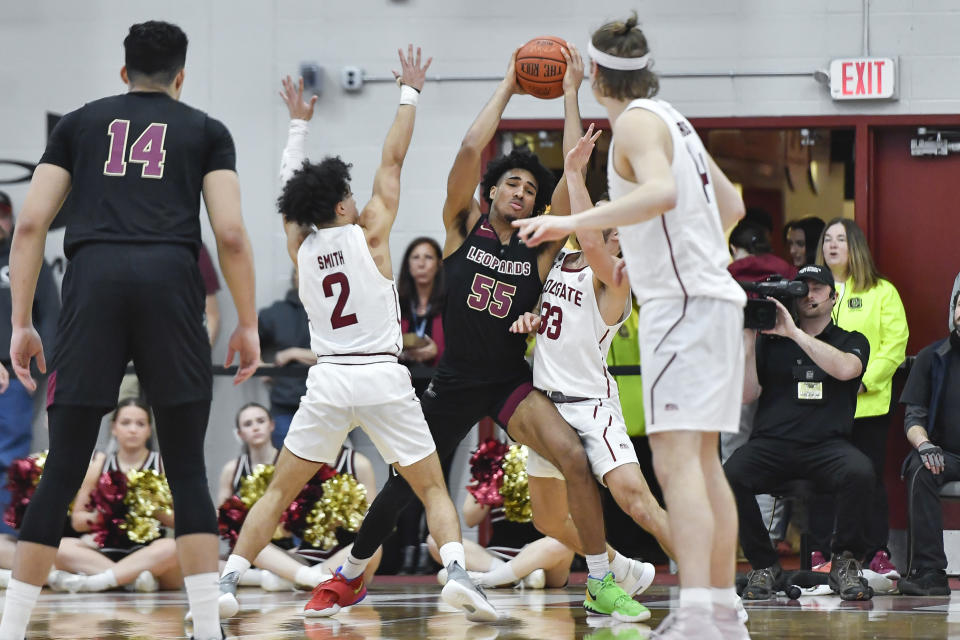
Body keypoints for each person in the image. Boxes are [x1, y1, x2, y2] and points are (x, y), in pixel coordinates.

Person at [309, 43, 649, 623]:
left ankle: (598, 580)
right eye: (511, 184)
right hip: (456, 379)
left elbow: (572, 171)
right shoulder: (461, 227)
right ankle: (348, 576)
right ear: (491, 192)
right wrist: (509, 85)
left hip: (510, 381)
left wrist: (568, 94)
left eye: (529, 190)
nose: (521, 194)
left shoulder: (538, 247)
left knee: (572, 455)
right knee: (409, 481)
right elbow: (470, 148)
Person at [218, 47, 498, 623]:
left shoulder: (301, 247)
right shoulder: (370, 231)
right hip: (382, 376)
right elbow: (393, 158)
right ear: (343, 202)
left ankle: (226, 582)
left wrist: (298, 126)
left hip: (329, 380)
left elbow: (287, 183)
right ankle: (458, 573)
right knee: (432, 487)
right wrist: (409, 92)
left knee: (276, 493)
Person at [2, 21, 260, 640]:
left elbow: (32, 225)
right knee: (190, 469)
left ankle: (10, 629)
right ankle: (205, 628)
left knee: (63, 464)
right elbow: (229, 234)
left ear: (123, 73)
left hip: (93, 282)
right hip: (171, 281)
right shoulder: (205, 130)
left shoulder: (79, 124)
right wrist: (246, 323)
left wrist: (20, 322)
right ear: (181, 76)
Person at [514, 14, 750, 638]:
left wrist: (568, 224)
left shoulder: (637, 125)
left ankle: (700, 614)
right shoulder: (675, 121)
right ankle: (721, 610)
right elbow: (733, 207)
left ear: (594, 74)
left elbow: (663, 193)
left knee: (674, 472)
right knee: (702, 466)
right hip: (713, 300)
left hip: (683, 308)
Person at [511, 126, 671, 607]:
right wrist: (531, 319)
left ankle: (716, 589)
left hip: (590, 405)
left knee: (638, 502)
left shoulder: (617, 277)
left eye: (617, 224)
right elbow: (550, 316)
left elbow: (586, 234)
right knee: (547, 520)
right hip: (547, 407)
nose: (610, 228)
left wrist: (576, 172)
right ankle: (623, 569)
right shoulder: (562, 260)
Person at [726, 265, 874, 601]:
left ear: (834, 297)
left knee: (860, 471)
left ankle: (844, 563)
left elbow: (847, 368)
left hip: (827, 445)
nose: (809, 294)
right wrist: (749, 342)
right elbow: (747, 395)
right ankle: (764, 565)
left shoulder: (850, 341)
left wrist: (794, 332)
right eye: (802, 287)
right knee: (732, 472)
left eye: (817, 288)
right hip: (772, 444)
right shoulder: (771, 341)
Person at [814, 217, 908, 577]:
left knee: (867, 476)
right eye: (827, 239)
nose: (832, 245)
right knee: (822, 478)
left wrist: (862, 381)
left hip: (867, 404)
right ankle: (823, 554)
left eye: (841, 239)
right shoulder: (810, 291)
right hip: (820, 405)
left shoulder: (881, 291)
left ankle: (875, 554)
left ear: (855, 246)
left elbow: (894, 344)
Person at [216, 403, 380, 591]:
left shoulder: (359, 463)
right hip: (304, 554)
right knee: (247, 541)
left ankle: (296, 578)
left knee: (373, 548)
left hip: (342, 551)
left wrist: (344, 518)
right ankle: (313, 579)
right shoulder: (301, 461)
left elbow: (373, 521)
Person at [56, 398, 181, 592]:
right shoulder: (98, 466)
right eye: (125, 423)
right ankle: (130, 579)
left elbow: (182, 521)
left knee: (172, 547)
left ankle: (102, 580)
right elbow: (77, 521)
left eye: (140, 424)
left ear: (149, 429)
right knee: (61, 547)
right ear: (114, 428)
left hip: (149, 551)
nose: (133, 429)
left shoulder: (163, 465)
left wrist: (155, 510)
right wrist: (103, 516)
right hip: (106, 551)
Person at [0, 190, 60, 539]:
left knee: (9, 456)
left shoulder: (28, 258)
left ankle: (5, 535)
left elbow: (51, 316)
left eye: (3, 215)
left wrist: (41, 366)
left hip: (16, 372)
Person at [898, 281, 960, 596]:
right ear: (954, 311)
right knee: (920, 467)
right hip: (944, 453)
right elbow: (914, 418)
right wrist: (924, 445)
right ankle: (931, 571)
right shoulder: (930, 356)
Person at [395, 236, 446, 574]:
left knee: (439, 474)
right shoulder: (397, 302)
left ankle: (433, 550)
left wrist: (433, 352)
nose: (422, 263)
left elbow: (456, 346)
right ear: (408, 264)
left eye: (429, 257)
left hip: (441, 392)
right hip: (403, 393)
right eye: (416, 257)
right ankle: (403, 551)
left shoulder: (449, 302)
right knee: (405, 473)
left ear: (438, 264)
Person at [258, 270, 313, 447]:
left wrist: (293, 353)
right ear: (294, 277)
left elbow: (341, 353)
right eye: (301, 271)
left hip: (326, 403)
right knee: (283, 462)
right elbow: (248, 339)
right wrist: (260, 367)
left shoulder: (333, 312)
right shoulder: (275, 313)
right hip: (284, 404)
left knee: (328, 468)